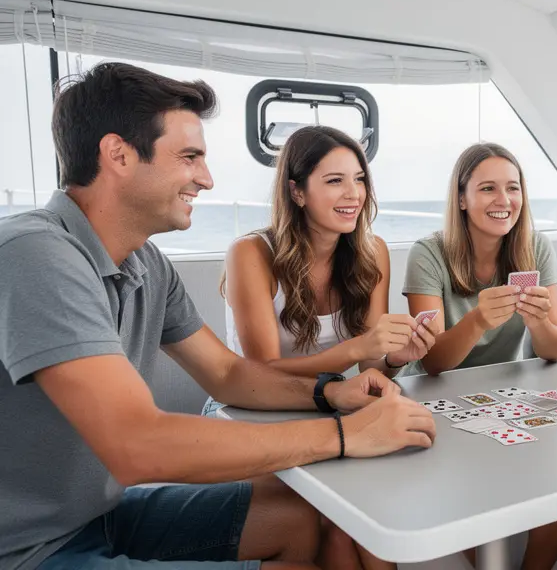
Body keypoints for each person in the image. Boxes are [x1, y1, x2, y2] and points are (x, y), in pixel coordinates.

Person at [0, 62, 436, 570]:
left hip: (102, 513)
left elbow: (227, 373)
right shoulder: (35, 253)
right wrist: (343, 436)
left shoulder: (145, 263)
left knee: (305, 517)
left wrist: (329, 392)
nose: (206, 179)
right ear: (117, 154)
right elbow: (136, 446)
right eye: (189, 157)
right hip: (28, 549)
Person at [201, 125, 437, 569]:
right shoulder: (249, 253)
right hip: (245, 413)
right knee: (327, 522)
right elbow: (261, 371)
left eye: (360, 179)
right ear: (297, 191)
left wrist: (393, 357)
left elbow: (372, 362)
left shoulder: (373, 251)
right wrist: (356, 351)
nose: (354, 193)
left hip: (329, 404)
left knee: (369, 517)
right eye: (335, 181)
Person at [403, 142, 557, 570]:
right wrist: (478, 320)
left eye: (513, 188)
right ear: (461, 199)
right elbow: (432, 361)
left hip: (503, 391)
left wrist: (538, 323)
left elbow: (555, 350)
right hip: (427, 393)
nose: (504, 201)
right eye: (487, 189)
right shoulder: (427, 253)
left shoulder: (536, 247)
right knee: (461, 487)